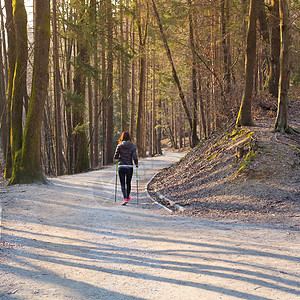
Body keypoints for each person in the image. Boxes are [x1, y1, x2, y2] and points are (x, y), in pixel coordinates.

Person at [114, 131, 138, 205]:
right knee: (128, 183)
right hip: (129, 167)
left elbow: (116, 156)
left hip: (121, 166)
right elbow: (134, 156)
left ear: (122, 137)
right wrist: (136, 164)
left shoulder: (119, 145)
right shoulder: (133, 146)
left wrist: (117, 158)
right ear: (129, 137)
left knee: (122, 184)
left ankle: (125, 198)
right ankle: (127, 197)